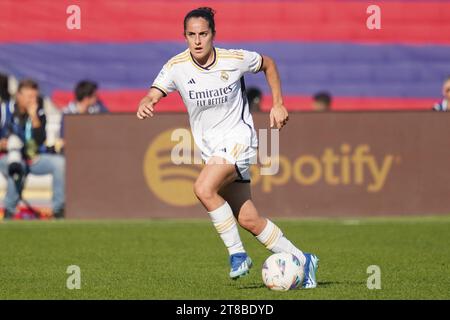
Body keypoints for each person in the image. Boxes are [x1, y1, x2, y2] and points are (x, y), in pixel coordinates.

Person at [136, 7, 319, 288]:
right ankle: (303, 260)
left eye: (203, 34)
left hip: (239, 140)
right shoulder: (176, 67)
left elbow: (268, 63)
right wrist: (147, 101)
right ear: (185, 36)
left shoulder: (234, 59)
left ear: (213, 35)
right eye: (191, 35)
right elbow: (155, 91)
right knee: (248, 219)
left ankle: (238, 255)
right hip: (213, 150)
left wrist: (278, 103)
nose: (197, 41)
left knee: (202, 189)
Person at [0, 79, 65, 219]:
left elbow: (40, 139)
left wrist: (34, 116)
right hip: (7, 157)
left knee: (60, 163)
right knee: (17, 165)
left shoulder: (39, 113)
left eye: (35, 96)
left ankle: (58, 210)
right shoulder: (4, 111)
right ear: (18, 95)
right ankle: (9, 211)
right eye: (29, 96)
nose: (32, 100)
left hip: (34, 157)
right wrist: (2, 144)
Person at [58, 80, 108, 152]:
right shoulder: (68, 114)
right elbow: (64, 138)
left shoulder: (97, 108)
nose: (97, 98)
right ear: (86, 98)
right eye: (95, 96)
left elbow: (109, 121)